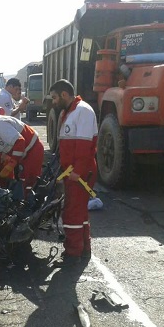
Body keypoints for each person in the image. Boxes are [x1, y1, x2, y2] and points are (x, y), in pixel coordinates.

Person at [49, 79, 98, 268]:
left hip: (79, 173)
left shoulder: (81, 111)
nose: (53, 102)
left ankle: (72, 254)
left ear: (63, 94)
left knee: (72, 214)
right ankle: (83, 250)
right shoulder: (69, 112)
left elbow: (84, 147)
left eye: (54, 97)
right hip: (74, 172)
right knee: (80, 213)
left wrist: (77, 171)